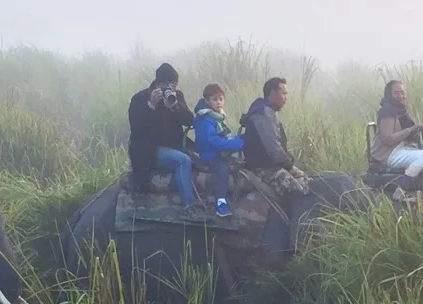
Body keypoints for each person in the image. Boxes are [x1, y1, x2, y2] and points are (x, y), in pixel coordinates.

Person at [127, 62, 204, 217]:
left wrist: (175, 107)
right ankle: (188, 206)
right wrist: (151, 106)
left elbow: (190, 121)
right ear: (157, 85)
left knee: (204, 156)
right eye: (167, 86)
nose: (171, 89)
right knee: (183, 161)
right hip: (149, 150)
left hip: (175, 145)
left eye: (174, 85)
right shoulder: (140, 98)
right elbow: (136, 127)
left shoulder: (176, 96)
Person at [369, 80, 423, 200]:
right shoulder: (387, 111)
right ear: (389, 94)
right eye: (396, 93)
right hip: (388, 153)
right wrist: (410, 130)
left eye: (402, 92)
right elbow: (387, 139)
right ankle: (400, 191)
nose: (400, 96)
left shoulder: (401, 110)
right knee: (422, 157)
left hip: (399, 147)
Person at [193, 83, 244, 218]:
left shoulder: (217, 116)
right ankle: (220, 203)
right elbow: (214, 141)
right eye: (215, 99)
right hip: (209, 154)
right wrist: (238, 144)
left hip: (217, 152)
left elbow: (224, 137)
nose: (219, 102)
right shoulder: (205, 118)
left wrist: (238, 139)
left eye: (221, 99)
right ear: (207, 101)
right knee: (222, 168)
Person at [242, 77, 306, 180]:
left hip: (270, 165)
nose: (286, 98)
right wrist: (289, 164)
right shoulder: (263, 114)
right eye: (283, 93)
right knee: (303, 186)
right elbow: (274, 150)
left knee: (305, 178)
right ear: (272, 94)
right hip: (263, 168)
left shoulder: (269, 112)